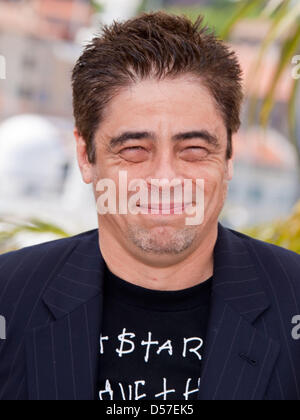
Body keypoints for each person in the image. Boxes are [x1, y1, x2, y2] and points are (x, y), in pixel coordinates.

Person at [0, 11, 299, 401]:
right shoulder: (9, 296)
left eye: (193, 150)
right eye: (134, 149)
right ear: (85, 156)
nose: (165, 179)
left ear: (228, 157)